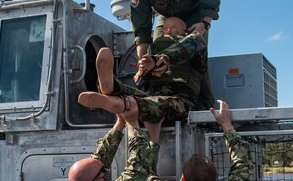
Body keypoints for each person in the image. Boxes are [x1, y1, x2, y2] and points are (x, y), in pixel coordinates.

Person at [130, 0, 220, 110]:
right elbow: (141, 29)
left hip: (195, 15)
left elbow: (211, 1)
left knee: (197, 54)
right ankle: (150, 97)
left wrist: (204, 24)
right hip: (166, 16)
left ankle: (206, 104)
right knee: (156, 48)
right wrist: (142, 60)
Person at [78, 17, 207, 124]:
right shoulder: (155, 47)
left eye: (174, 27)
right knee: (129, 92)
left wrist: (163, 59)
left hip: (180, 101)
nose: (168, 30)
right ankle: (111, 89)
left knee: (156, 105)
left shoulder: (194, 44)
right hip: (151, 97)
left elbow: (194, 42)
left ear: (184, 31)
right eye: (165, 28)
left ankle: (120, 103)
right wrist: (145, 70)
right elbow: (143, 81)